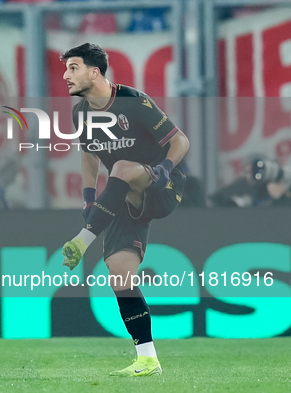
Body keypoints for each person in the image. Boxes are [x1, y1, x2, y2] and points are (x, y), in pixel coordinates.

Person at [59, 43, 190, 377]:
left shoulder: (133, 101)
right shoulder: (81, 113)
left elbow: (181, 142)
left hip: (161, 187)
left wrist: (164, 169)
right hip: (120, 196)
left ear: (95, 71)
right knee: (119, 274)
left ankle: (84, 239)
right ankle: (147, 358)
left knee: (122, 167)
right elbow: (89, 155)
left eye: (73, 68)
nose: (65, 75)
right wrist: (89, 198)